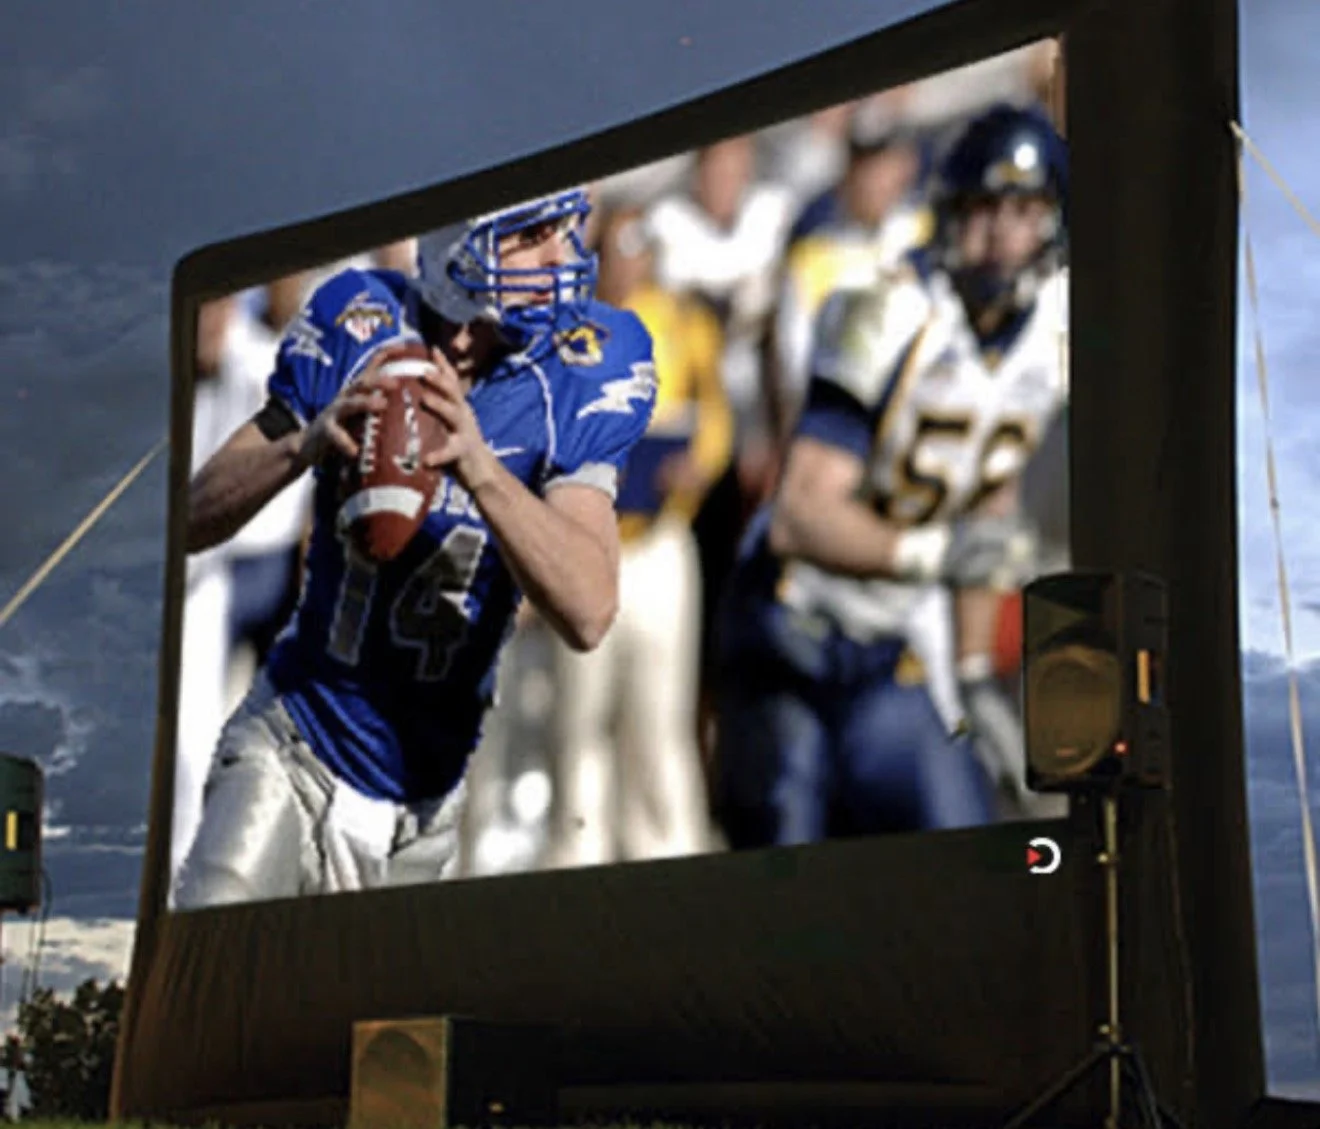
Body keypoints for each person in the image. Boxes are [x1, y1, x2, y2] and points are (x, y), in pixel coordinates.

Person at [173, 188, 658, 908]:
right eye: (529, 237)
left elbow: (589, 610)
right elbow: (192, 516)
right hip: (295, 749)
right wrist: (303, 444)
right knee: (209, 966)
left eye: (562, 229)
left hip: (423, 812)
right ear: (457, 251)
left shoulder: (578, 366)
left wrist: (481, 467)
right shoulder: (359, 318)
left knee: (360, 1025)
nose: (562, 256)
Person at [714, 104, 1069, 847]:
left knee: (964, 842)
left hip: (892, 647)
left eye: (1026, 209)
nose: (1004, 232)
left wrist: (973, 673)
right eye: (985, 208)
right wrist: (932, 556)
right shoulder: (885, 309)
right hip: (789, 632)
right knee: (792, 876)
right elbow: (800, 514)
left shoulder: (1051, 333)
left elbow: (989, 501)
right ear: (947, 212)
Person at [542, 204, 731, 868]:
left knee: (660, 714)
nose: (627, 260)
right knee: (580, 718)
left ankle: (668, 849)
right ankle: (578, 849)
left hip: (659, 540)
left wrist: (697, 466)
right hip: (589, 541)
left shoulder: (684, 323)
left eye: (636, 246)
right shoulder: (563, 335)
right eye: (615, 246)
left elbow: (716, 423)